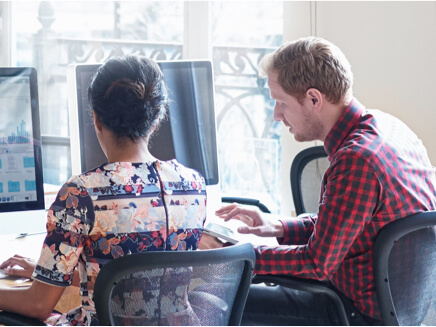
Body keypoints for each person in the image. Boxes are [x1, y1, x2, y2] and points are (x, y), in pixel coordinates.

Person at [209, 37, 436, 325]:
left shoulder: (358, 161)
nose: (276, 116)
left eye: (281, 103)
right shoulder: (388, 127)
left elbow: (316, 264)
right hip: (388, 302)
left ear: (314, 99)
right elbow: (347, 225)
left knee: (215, 301)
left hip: (352, 312)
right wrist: (276, 226)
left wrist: (233, 256)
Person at [0, 55, 207, 325]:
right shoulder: (193, 185)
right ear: (156, 120)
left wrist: (44, 284)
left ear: (96, 119)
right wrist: (47, 275)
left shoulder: (81, 194)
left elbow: (38, 305)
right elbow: (141, 284)